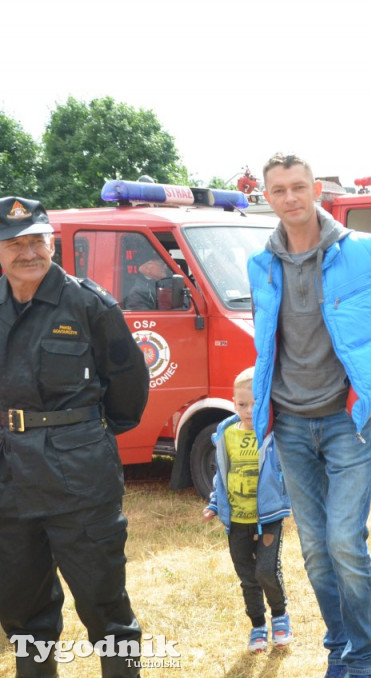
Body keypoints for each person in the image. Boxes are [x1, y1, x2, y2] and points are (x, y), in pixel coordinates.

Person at [247, 153, 371, 678]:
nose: (290, 198)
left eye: (299, 187)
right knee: (316, 550)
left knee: (344, 541)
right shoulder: (261, 265)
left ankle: (364, 658)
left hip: (347, 423)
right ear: (267, 197)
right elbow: (269, 346)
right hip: (290, 424)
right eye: (279, 190)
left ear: (315, 189)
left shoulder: (360, 252)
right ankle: (339, 645)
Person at [0, 196, 149, 677]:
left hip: (80, 481)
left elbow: (128, 387)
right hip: (7, 484)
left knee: (106, 609)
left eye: (37, 241)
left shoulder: (89, 305)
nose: (28, 252)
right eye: (14, 242)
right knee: (23, 612)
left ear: (52, 243)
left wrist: (81, 438)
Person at [203, 367, 293, 654]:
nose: (248, 410)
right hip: (237, 521)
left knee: (266, 570)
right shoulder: (226, 433)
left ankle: (279, 615)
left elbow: (288, 470)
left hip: (268, 518)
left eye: (256, 403)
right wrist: (216, 503)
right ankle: (257, 625)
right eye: (242, 404)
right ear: (233, 402)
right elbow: (223, 473)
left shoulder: (275, 433)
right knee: (248, 577)